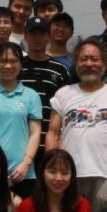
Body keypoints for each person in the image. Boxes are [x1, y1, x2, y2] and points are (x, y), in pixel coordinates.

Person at [47, 39, 107, 212]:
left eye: (94, 59)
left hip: (106, 173)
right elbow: (53, 133)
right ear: (76, 63)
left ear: (104, 63)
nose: (89, 64)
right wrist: (51, 170)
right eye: (84, 59)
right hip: (68, 174)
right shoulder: (63, 94)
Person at [0, 42, 43, 198]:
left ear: (21, 64)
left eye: (13, 61)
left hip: (23, 173)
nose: (8, 66)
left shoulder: (31, 95)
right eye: (2, 61)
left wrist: (26, 164)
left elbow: (35, 133)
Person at [19, 15, 74, 174]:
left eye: (42, 33)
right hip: (21, 141)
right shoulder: (18, 67)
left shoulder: (61, 69)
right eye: (33, 33)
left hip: (49, 141)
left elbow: (66, 107)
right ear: (25, 36)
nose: (37, 38)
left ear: (49, 36)